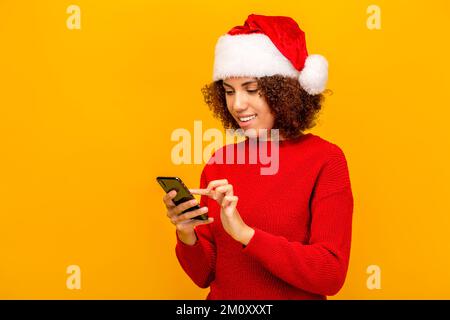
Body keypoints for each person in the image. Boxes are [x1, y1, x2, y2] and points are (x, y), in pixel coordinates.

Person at [162, 14, 354, 300]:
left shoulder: (326, 160)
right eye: (228, 91)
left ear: (285, 92)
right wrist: (187, 234)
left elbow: (330, 274)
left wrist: (246, 235)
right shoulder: (220, 161)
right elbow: (203, 275)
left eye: (251, 90)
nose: (237, 105)